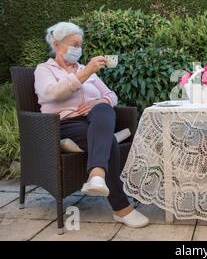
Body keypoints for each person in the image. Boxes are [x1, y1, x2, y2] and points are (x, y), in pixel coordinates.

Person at [34, 21, 149, 228]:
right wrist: (85, 72)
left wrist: (98, 101)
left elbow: (111, 95)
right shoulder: (44, 70)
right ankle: (121, 208)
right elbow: (52, 93)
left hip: (96, 121)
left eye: (80, 45)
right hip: (64, 123)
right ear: (57, 44)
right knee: (107, 140)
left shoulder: (83, 68)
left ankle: (97, 174)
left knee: (104, 108)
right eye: (74, 44)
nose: (78, 49)